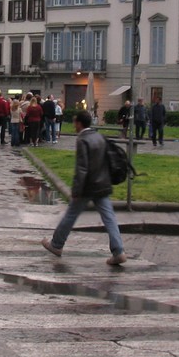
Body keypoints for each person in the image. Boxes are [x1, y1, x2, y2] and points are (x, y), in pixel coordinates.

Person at [41, 110, 126, 265]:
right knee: (109, 218)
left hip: (88, 186)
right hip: (103, 184)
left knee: (70, 215)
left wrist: (76, 190)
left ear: (79, 123)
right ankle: (118, 250)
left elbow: (82, 168)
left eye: (75, 122)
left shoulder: (82, 140)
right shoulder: (99, 136)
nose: (74, 125)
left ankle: (56, 244)